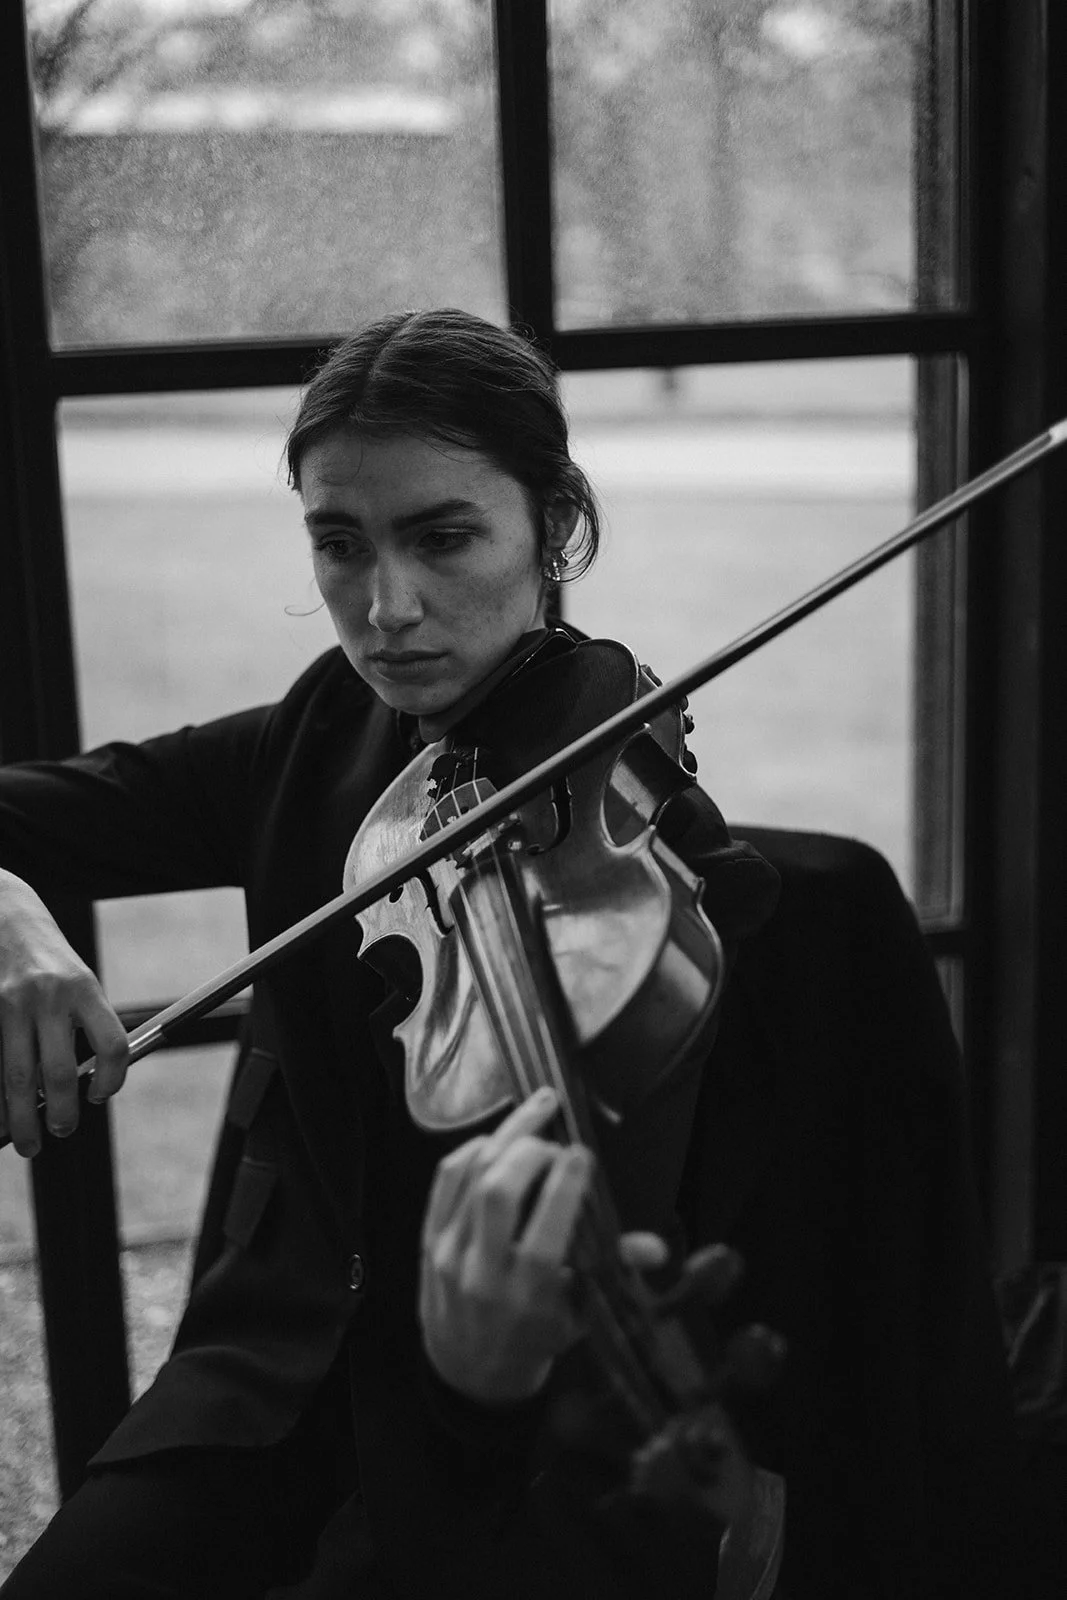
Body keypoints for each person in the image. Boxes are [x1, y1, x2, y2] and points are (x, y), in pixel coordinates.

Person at [0, 309, 783, 1599]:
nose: (387, 609)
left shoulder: (647, 844)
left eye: (443, 537)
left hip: (512, 1436)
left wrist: (501, 1370)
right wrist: (11, 912)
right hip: (256, 1391)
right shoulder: (315, 738)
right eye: (339, 544)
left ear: (555, 524)